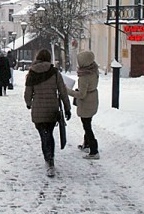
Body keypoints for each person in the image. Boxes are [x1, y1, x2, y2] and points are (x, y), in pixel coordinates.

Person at [23, 49, 71, 177]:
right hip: (52, 109)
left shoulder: (32, 73)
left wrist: (28, 103)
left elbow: (28, 92)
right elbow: (63, 91)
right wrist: (67, 108)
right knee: (49, 133)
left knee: (43, 135)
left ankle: (48, 159)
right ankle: (51, 160)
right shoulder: (54, 72)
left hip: (38, 108)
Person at [66, 50, 100, 160]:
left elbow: (81, 94)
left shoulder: (84, 77)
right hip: (93, 99)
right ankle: (87, 145)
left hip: (86, 102)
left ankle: (94, 150)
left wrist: (67, 91)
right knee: (88, 122)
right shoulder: (94, 70)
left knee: (86, 125)